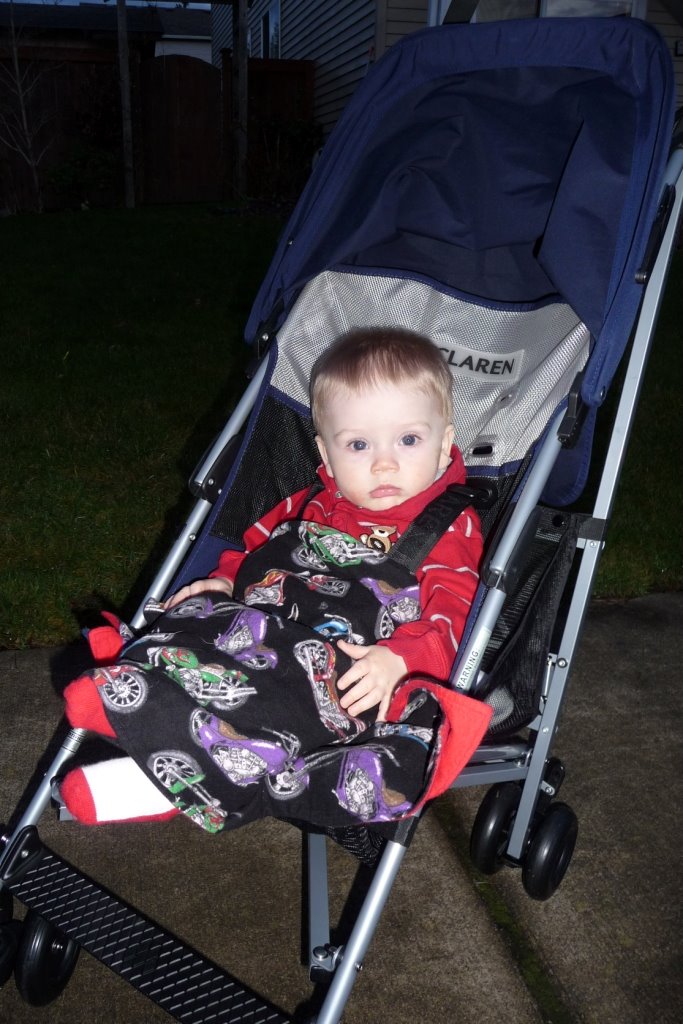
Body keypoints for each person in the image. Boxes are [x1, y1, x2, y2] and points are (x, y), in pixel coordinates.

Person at [60, 328, 492, 832]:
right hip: (265, 628)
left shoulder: (448, 529)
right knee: (201, 612)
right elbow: (253, 551)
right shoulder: (309, 504)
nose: (384, 463)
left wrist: (402, 658)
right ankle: (142, 677)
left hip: (347, 668)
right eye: (358, 444)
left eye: (409, 439)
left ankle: (148, 756)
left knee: (286, 687)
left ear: (444, 445)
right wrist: (224, 582)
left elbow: (456, 614)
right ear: (326, 455)